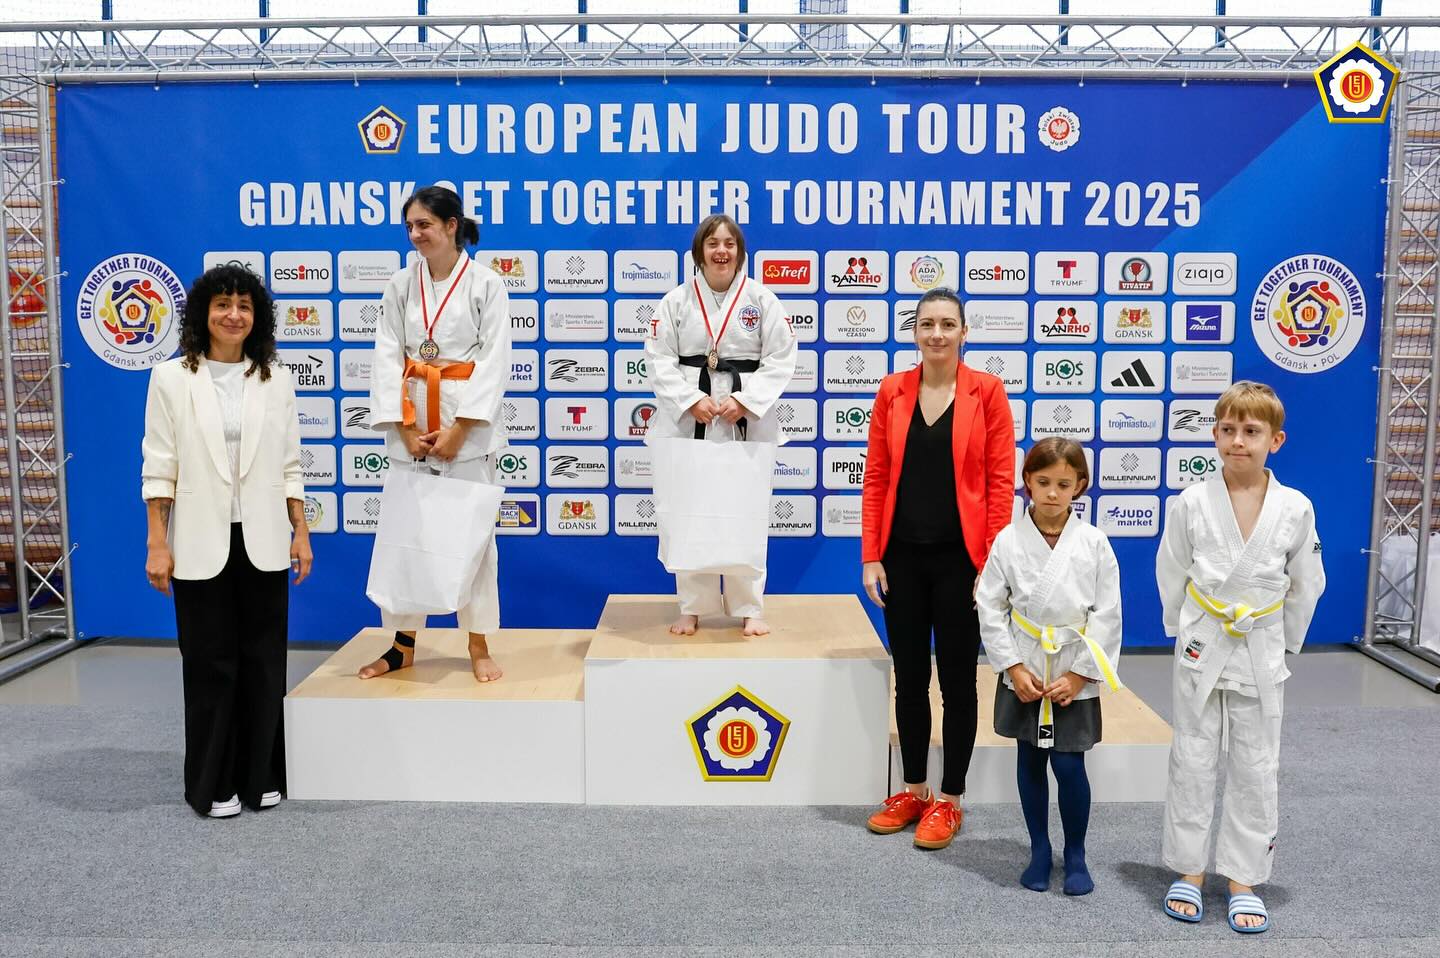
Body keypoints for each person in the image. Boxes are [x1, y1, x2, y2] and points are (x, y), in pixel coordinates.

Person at [141, 263, 311, 818]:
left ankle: (262, 775)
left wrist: (301, 532)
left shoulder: (275, 378)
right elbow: (159, 467)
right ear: (203, 314)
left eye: (243, 305)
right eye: (222, 305)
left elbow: (290, 466)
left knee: (264, 660)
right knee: (209, 662)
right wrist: (157, 543)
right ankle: (213, 783)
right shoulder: (171, 378)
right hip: (197, 539)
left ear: (257, 317)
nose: (233, 315)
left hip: (264, 538)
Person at [1157, 381, 1325, 934]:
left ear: (1275, 440)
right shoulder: (1191, 502)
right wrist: (1179, 629)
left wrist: (1286, 640)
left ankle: (1243, 879)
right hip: (1203, 640)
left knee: (1256, 764)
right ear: (1214, 434)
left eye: (1251, 432)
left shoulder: (1295, 507)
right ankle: (1189, 869)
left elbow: (1307, 581)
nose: (1237, 441)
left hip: (1259, 645)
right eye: (1227, 430)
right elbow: (1171, 569)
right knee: (1192, 756)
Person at [860, 287, 1016, 850]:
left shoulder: (987, 392)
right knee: (908, 679)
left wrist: (989, 565)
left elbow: (1000, 483)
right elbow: (877, 476)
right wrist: (871, 554)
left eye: (948, 324)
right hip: (901, 558)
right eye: (927, 324)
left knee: (957, 683)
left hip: (961, 562)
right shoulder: (892, 390)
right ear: (915, 332)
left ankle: (950, 799)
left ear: (964, 332)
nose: (937, 334)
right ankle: (913, 790)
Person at [358, 185, 512, 683]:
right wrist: (403, 426)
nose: (415, 234)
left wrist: (460, 429)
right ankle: (403, 645)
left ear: (451, 225)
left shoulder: (486, 284)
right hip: (412, 420)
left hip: (464, 427)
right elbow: (386, 355)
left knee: (474, 540)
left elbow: (494, 362)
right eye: (409, 226)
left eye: (423, 224)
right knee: (408, 536)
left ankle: (478, 644)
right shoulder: (401, 285)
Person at [976, 438, 1123, 895]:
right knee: (1030, 757)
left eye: (1063, 483)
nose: (1053, 493)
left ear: (1080, 485)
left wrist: (1079, 674)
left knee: (1069, 763)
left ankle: (1075, 852)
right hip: (1026, 667)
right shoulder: (1008, 540)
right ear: (1027, 483)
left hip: (1071, 668)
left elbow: (1108, 613)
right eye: (1043, 482)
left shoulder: (1094, 543)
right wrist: (1013, 667)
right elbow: (990, 605)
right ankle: (1039, 849)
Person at [645, 214, 797, 637]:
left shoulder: (761, 299)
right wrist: (689, 400)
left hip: (743, 421)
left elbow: (781, 356)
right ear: (699, 252)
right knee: (688, 511)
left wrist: (746, 401)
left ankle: (749, 608)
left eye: (729, 243)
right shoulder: (676, 301)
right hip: (690, 419)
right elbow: (658, 358)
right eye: (713, 243)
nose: (721, 251)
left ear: (740, 252)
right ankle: (692, 607)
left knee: (746, 512)